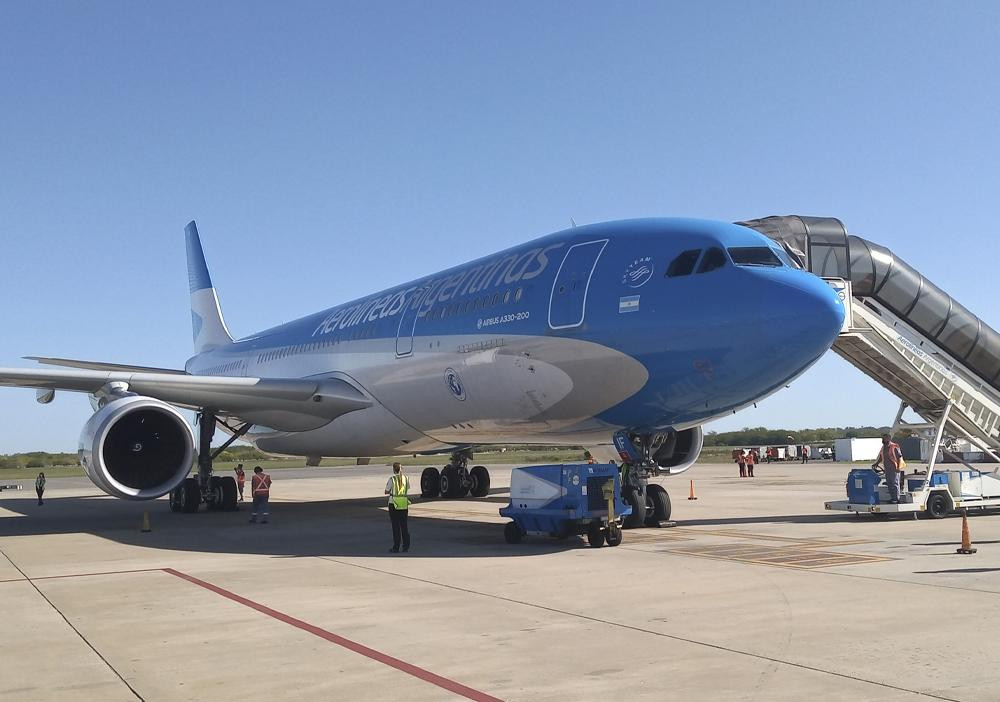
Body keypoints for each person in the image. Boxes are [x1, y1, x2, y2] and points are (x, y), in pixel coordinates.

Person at [384, 462, 411, 553]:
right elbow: (407, 488)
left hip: (394, 504)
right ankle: (406, 546)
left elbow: (386, 491)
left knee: (395, 527)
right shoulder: (406, 478)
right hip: (403, 504)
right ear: (401, 469)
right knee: (404, 526)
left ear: (393, 469)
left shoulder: (392, 479)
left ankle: (396, 547)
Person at [872, 433, 904, 504]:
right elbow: (881, 457)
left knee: (894, 484)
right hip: (887, 469)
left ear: (888, 439)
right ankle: (893, 498)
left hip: (894, 469)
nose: (882, 440)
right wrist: (876, 463)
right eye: (882, 439)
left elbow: (899, 458)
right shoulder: (883, 448)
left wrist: (898, 467)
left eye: (884, 438)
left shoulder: (894, 447)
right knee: (889, 484)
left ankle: (896, 498)